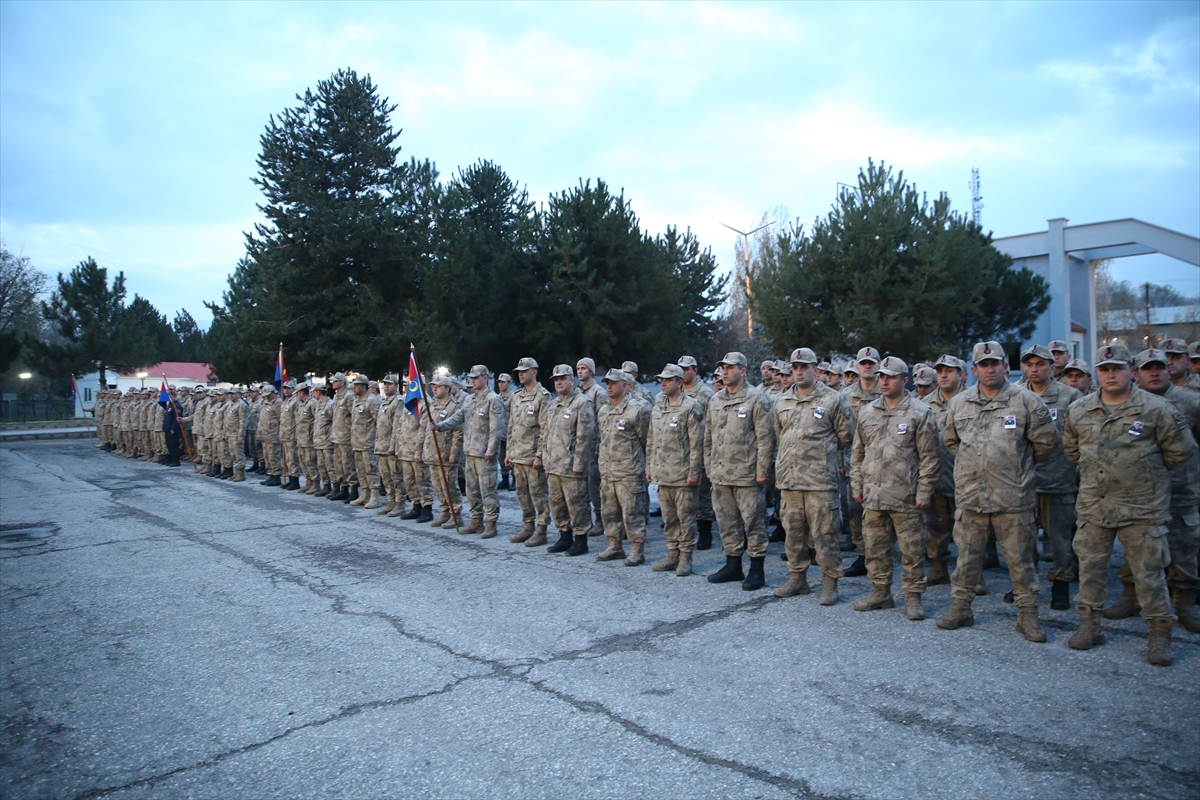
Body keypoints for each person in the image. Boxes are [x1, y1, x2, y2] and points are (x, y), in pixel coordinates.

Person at [1063, 344, 1197, 666]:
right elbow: (1071, 450)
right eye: (1105, 370)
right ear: (1097, 373)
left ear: (1131, 373)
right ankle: (1089, 626)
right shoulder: (1080, 410)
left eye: (1118, 369)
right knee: (1091, 571)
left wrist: (1143, 477)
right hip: (1095, 505)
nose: (1111, 375)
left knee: (1149, 574)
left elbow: (1181, 451)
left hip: (1141, 508)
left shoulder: (1156, 409)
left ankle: (1159, 635)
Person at [937, 341, 1059, 643]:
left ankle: (1028, 615)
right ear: (975, 369)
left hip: (1013, 497)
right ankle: (961, 607)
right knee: (966, 558)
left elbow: (1046, 443)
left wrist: (1012, 466)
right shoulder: (959, 403)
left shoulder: (1026, 401)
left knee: (1020, 560)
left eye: (996, 363)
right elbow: (952, 441)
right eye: (984, 364)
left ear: (1006, 366)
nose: (990, 369)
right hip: (971, 495)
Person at [1114, 349, 1200, 633]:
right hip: (1138, 494)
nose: (1155, 373)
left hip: (1180, 490)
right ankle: (1131, 597)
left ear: (1170, 369)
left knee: (1183, 548)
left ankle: (1185, 604)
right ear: (1136, 372)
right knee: (1134, 549)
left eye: (1160, 367)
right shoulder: (1125, 403)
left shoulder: (1191, 402)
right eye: (1148, 368)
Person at [850, 357, 939, 620]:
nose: (884, 381)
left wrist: (924, 492)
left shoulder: (920, 413)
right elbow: (858, 453)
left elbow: (930, 458)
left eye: (891, 376)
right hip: (873, 496)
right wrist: (858, 485)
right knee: (875, 549)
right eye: (882, 376)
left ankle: (913, 597)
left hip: (906, 497)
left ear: (905, 380)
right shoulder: (868, 412)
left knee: (912, 551)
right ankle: (881, 593)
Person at [772, 348, 855, 603]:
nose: (798, 371)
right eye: (795, 367)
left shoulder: (833, 400)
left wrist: (822, 455)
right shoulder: (782, 401)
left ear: (815, 370)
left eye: (804, 367)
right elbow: (780, 434)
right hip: (790, 479)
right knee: (793, 531)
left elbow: (847, 436)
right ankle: (798, 578)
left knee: (825, 534)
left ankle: (830, 582)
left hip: (820, 481)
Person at [1017, 344, 1082, 610]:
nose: (1034, 369)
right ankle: (1024, 585)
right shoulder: (1014, 396)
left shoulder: (1070, 396)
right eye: (1029, 364)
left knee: (1059, 540)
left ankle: (1061, 585)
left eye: (1040, 364)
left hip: (1058, 480)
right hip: (1024, 481)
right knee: (1023, 540)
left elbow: (1081, 436)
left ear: (1052, 367)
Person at [704, 352, 776, 590]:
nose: (724, 372)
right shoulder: (715, 400)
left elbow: (766, 439)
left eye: (730, 368)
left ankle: (757, 569)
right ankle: (733, 565)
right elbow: (708, 437)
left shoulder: (757, 398)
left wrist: (762, 471)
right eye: (723, 367)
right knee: (727, 522)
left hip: (747, 475)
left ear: (743, 371)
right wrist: (709, 466)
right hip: (721, 473)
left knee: (754, 523)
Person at [435, 365, 506, 538]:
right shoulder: (469, 400)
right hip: (470, 452)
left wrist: (491, 450)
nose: (472, 381)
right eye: (471, 378)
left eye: (476, 377)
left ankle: (491, 524)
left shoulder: (493, 399)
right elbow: (458, 417)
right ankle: (476, 521)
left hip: (484, 454)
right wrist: (439, 426)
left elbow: (496, 429)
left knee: (487, 491)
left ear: (485, 378)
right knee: (472, 491)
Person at [646, 364, 704, 576]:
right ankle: (672, 554)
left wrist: (693, 473)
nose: (663, 382)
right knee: (669, 519)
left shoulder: (691, 407)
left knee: (686, 519)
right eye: (662, 379)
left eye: (668, 379)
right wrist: (650, 466)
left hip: (682, 475)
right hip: (663, 474)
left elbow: (697, 444)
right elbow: (652, 439)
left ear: (680, 383)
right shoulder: (658, 405)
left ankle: (686, 557)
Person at [534, 364, 596, 554]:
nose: (559, 382)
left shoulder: (581, 403)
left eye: (562, 378)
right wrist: (541, 456)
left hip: (571, 467)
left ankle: (580, 540)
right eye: (556, 379)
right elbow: (544, 433)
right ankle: (564, 536)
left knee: (577, 504)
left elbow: (585, 438)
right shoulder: (553, 404)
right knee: (557, 504)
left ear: (572, 380)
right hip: (553, 465)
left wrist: (578, 465)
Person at [595, 368, 651, 565]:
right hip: (608, 471)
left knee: (633, 513)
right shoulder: (603, 410)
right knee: (610, 512)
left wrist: (645, 466)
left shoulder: (638, 409)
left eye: (614, 383)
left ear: (626, 386)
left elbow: (646, 441)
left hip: (629, 471)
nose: (609, 386)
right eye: (607, 383)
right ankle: (614, 546)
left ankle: (637, 549)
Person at [841, 346, 884, 577]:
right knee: (855, 512)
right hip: (854, 465)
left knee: (879, 515)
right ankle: (862, 555)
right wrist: (841, 461)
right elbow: (840, 433)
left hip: (883, 466)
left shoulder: (887, 392)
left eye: (872, 362)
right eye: (863, 363)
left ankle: (880, 557)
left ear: (878, 366)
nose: (867, 366)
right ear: (857, 367)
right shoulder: (846, 396)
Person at [925, 355, 965, 585]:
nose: (943, 375)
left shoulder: (973, 400)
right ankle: (938, 566)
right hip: (938, 476)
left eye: (949, 371)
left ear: (960, 374)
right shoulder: (925, 403)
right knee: (936, 527)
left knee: (967, 531)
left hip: (965, 478)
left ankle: (970, 574)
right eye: (940, 371)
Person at [506, 358, 552, 545]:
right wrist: (509, 452)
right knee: (522, 494)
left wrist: (539, 455)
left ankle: (541, 530)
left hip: (533, 456)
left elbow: (545, 429)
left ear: (535, 372)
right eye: (519, 370)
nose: (520, 373)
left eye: (524, 370)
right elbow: (512, 426)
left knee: (538, 494)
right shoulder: (516, 396)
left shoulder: (543, 396)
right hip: (518, 454)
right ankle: (528, 526)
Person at [679, 356, 716, 550]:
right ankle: (686, 530)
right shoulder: (677, 393)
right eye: (681, 369)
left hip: (700, 450)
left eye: (686, 369)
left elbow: (712, 425)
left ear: (695, 370)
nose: (683, 372)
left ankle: (705, 531)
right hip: (679, 452)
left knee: (702, 494)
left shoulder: (705, 394)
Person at [422, 374, 463, 527]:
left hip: (445, 453)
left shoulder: (454, 406)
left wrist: (454, 454)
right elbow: (427, 429)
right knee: (438, 486)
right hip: (433, 452)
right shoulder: (432, 404)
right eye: (433, 386)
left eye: (438, 387)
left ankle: (456, 514)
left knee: (449, 486)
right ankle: (445, 512)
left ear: (447, 389)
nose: (434, 389)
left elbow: (458, 432)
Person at [393, 380, 434, 523]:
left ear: (421, 386)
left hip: (417, 449)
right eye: (407, 386)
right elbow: (400, 425)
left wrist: (420, 450)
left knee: (422, 479)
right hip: (405, 449)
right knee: (409, 481)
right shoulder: (409, 402)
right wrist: (398, 446)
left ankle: (427, 508)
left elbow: (424, 430)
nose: (409, 388)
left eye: (412, 385)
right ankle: (416, 506)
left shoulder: (426, 403)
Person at [574, 359, 605, 537]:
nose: (580, 372)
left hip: (592, 445)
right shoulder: (577, 391)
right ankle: (585, 520)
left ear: (592, 372)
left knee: (594, 486)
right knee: (581, 487)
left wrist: (599, 444)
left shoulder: (598, 393)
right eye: (578, 369)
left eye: (584, 368)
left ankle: (601, 520)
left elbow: (603, 420)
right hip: (579, 446)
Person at [349, 374, 383, 509]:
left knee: (371, 469)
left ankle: (375, 495)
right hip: (357, 442)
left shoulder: (372, 401)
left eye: (356, 385)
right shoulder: (356, 401)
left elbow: (378, 422)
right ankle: (365, 493)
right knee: (361, 470)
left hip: (368, 442)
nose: (353, 388)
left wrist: (377, 440)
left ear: (364, 387)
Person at [373, 374, 405, 514]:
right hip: (381, 446)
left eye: (389, 384)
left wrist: (393, 446)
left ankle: (399, 504)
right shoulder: (384, 402)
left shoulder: (398, 402)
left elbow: (397, 427)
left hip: (391, 447)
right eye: (384, 384)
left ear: (396, 386)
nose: (386, 386)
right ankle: (390, 502)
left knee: (396, 477)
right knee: (385, 477)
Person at [329, 373, 357, 503]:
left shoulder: (349, 396)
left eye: (336, 381)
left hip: (345, 437)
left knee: (348, 465)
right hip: (337, 436)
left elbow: (354, 416)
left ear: (342, 382)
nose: (333, 383)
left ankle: (354, 490)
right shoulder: (336, 397)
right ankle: (343, 489)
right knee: (339, 465)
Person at [295, 382, 319, 493]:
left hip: (309, 439)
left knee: (311, 462)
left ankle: (315, 483)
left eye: (297, 393)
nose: (296, 395)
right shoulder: (301, 404)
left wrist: (313, 435)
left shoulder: (312, 403)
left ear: (301, 392)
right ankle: (308, 482)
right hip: (301, 438)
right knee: (303, 462)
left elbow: (317, 420)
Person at [311, 383, 335, 496]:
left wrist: (329, 435)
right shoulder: (318, 405)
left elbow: (334, 422)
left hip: (327, 441)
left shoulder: (330, 404)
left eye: (314, 391)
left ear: (318, 392)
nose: (313, 394)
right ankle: (326, 486)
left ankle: (335, 486)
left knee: (330, 465)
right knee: (321, 465)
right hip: (318, 440)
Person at [257, 384, 283, 486]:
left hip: (273, 434)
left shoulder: (278, 403)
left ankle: (276, 476)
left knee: (273, 456)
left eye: (268, 395)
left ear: (274, 393)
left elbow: (281, 419)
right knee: (267, 456)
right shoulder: (265, 402)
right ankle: (271, 474)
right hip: (265, 434)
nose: (266, 397)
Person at [278, 379, 301, 490]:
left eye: (288, 388)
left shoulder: (295, 402)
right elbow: (283, 420)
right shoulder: (285, 401)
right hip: (286, 434)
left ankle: (295, 480)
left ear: (294, 389)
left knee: (293, 459)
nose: (286, 391)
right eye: (284, 388)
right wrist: (281, 434)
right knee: (287, 459)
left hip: (292, 435)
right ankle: (291, 478)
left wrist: (297, 434)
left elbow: (298, 419)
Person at [222, 386, 248, 482]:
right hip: (230, 433)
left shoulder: (241, 405)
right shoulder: (230, 405)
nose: (231, 395)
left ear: (238, 394)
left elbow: (243, 421)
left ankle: (241, 474)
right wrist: (225, 433)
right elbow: (226, 420)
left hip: (236, 434)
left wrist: (241, 436)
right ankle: (236, 473)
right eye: (230, 394)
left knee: (238, 454)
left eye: (233, 393)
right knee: (233, 454)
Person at [496, 372, 515, 491]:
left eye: (503, 382)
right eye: (499, 382)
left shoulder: (513, 397)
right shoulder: (497, 397)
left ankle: (515, 480)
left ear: (509, 383)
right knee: (501, 456)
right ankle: (505, 479)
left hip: (510, 431)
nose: (501, 384)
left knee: (511, 457)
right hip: (500, 431)